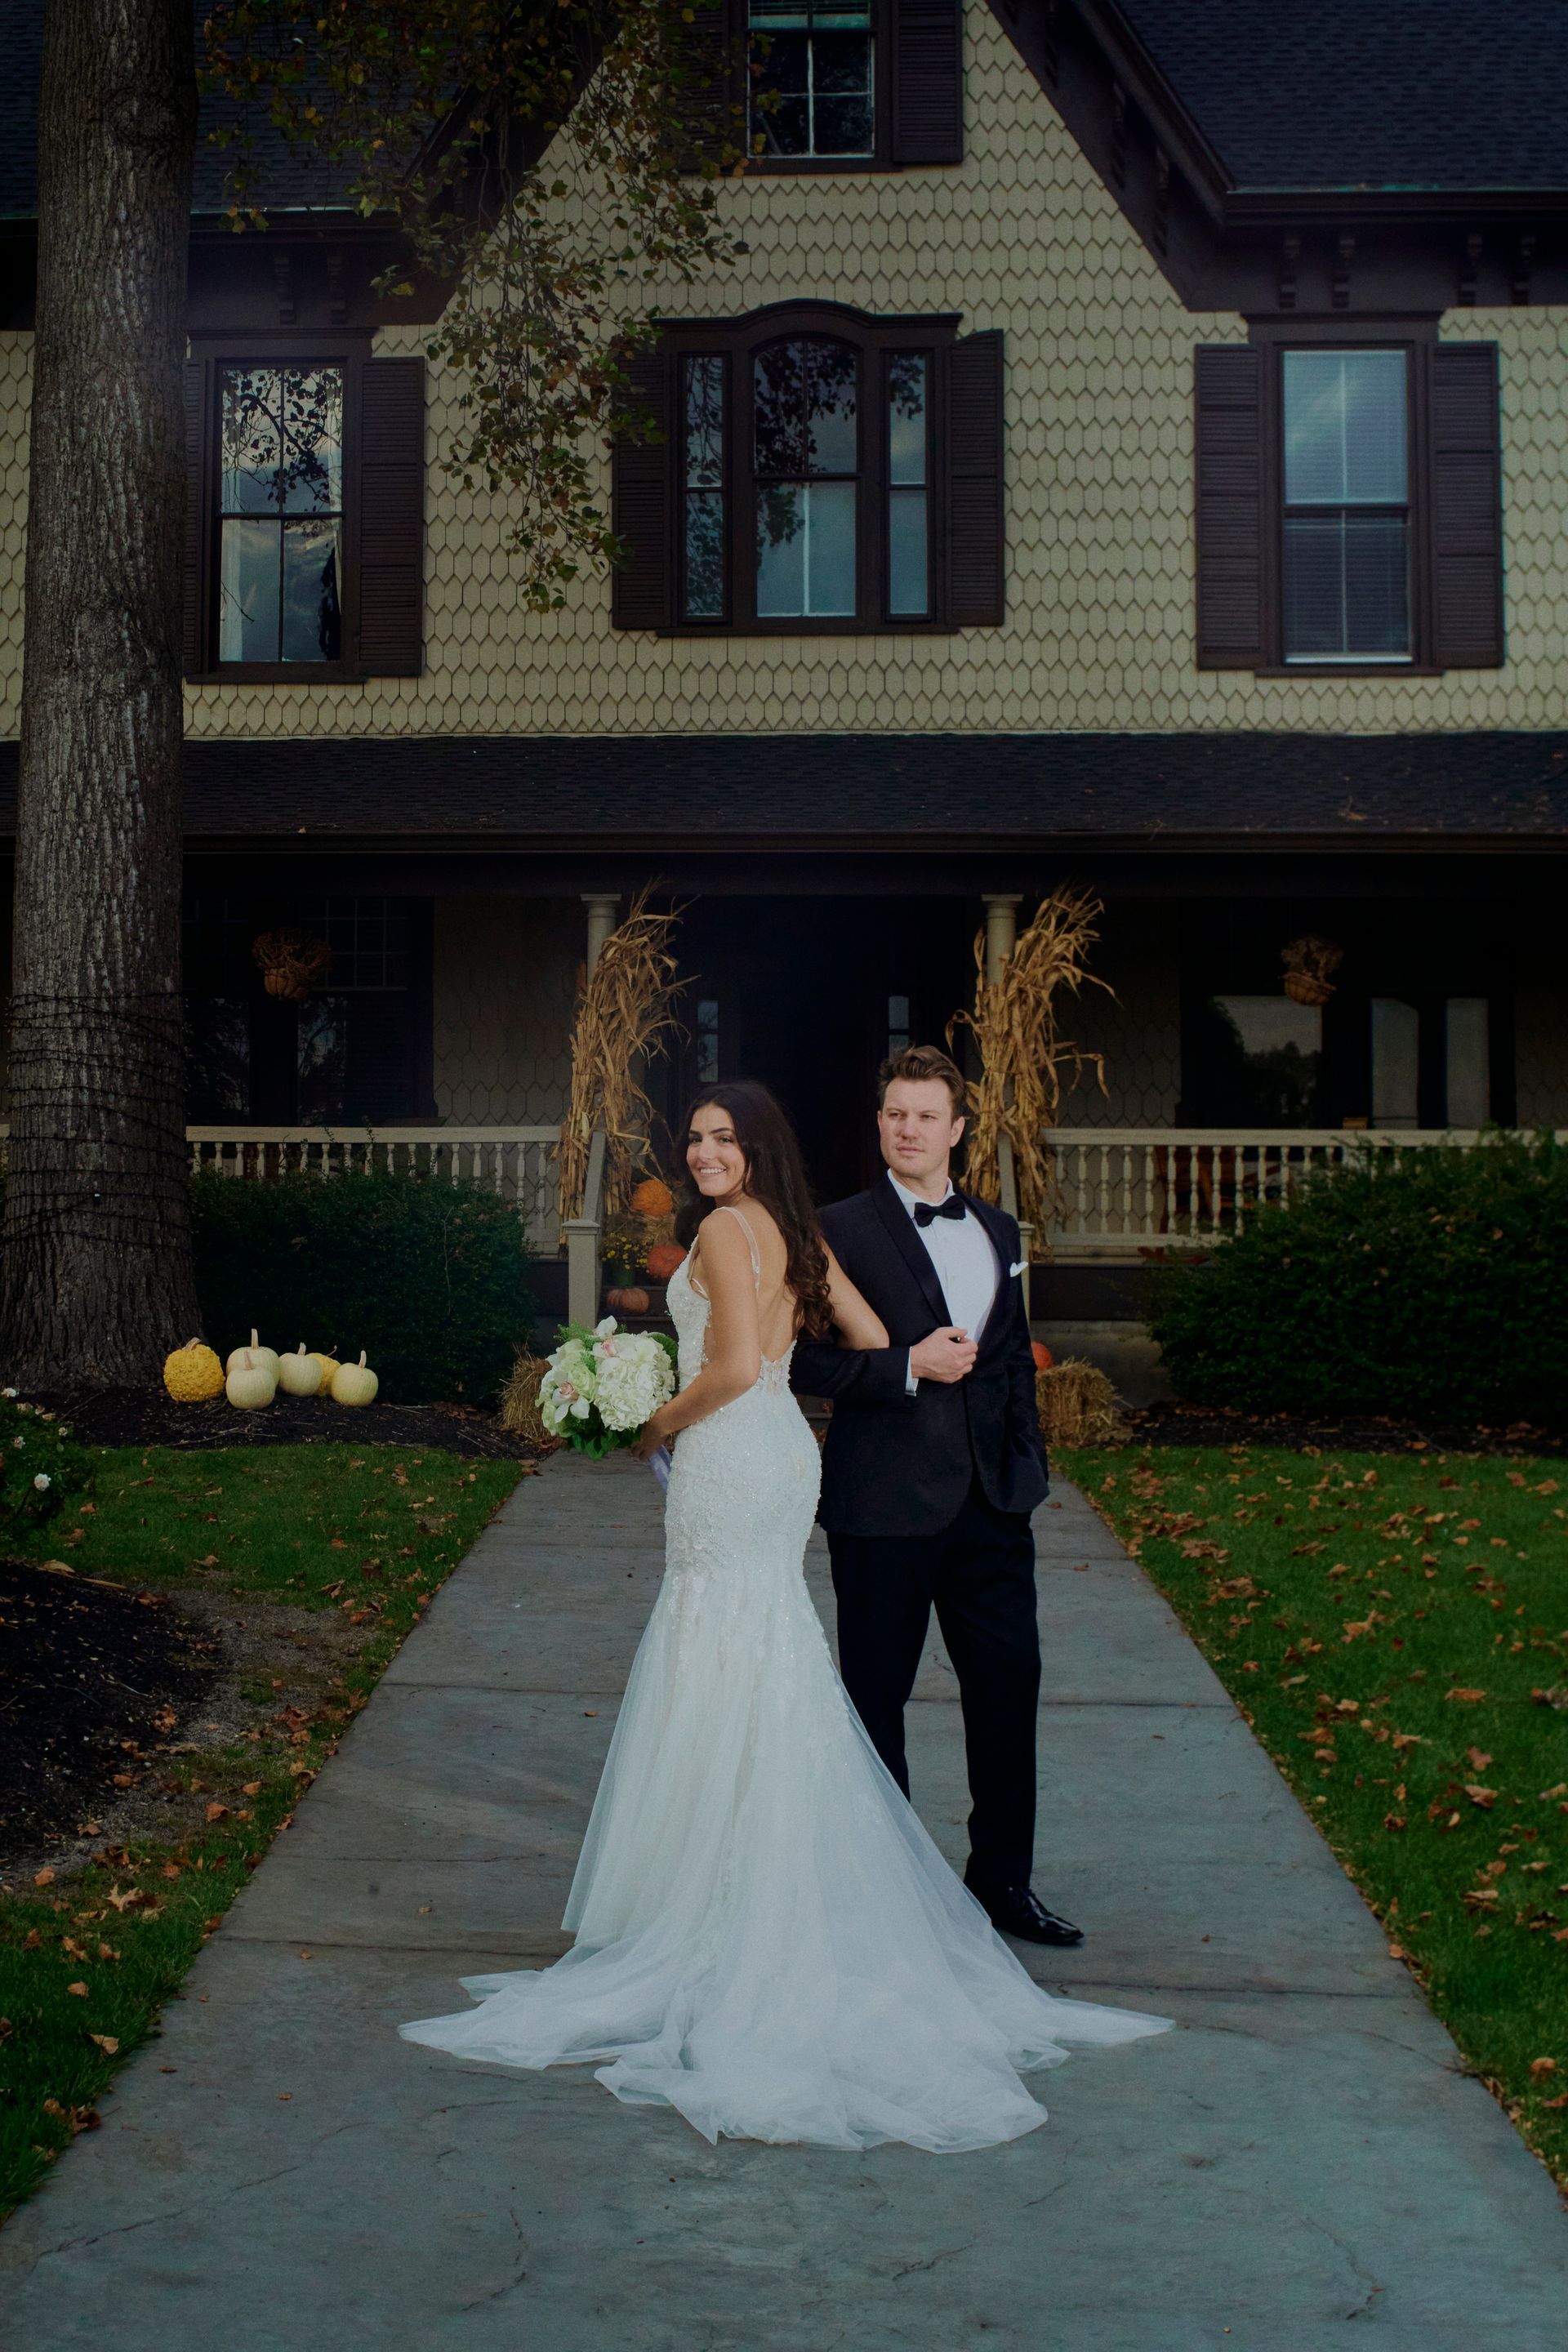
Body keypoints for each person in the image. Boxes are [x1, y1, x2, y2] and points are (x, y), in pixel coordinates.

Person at [400, 1080, 1167, 2152]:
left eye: (723, 1138)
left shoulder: (723, 1228)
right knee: (775, 1662)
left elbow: (738, 1366)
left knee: (722, 1653)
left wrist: (645, 1425)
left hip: (733, 1460)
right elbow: (847, 1330)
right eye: (696, 1137)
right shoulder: (795, 1230)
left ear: (757, 1148)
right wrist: (892, 1359)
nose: (705, 1151)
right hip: (781, 1462)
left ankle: (719, 1899)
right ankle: (802, 1881)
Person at [790, 1044, 1075, 1947]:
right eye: (894, 1114)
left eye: (925, 1116)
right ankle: (887, 1892)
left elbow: (1014, 1361)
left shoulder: (998, 1229)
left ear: (957, 1129)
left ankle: (1003, 1884)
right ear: (879, 1124)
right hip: (883, 1507)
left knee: (1009, 1692)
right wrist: (903, 1368)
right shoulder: (832, 1228)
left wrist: (1023, 1471)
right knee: (877, 1700)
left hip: (993, 1507)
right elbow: (795, 1357)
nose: (907, 1129)